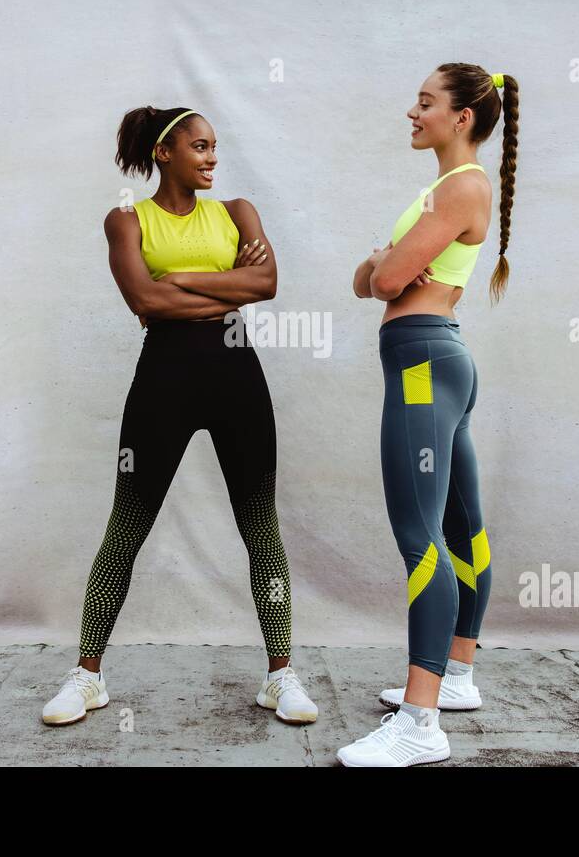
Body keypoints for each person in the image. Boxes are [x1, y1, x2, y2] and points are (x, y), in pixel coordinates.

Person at [42, 106, 318, 727]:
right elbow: (142, 298)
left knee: (260, 525)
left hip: (237, 377)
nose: (213, 156)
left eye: (215, 146)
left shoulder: (238, 211)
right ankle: (87, 677)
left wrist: (182, 282)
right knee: (127, 525)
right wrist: (224, 281)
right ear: (165, 153)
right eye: (200, 146)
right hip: (163, 381)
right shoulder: (125, 221)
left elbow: (267, 282)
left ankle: (281, 676)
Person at [338, 65, 519, 766]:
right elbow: (371, 277)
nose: (411, 112)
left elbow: (380, 280)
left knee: (421, 539)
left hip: (422, 366)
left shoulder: (463, 186)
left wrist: (384, 265)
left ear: (463, 117)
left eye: (425, 102)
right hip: (439, 359)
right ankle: (460, 675)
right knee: (461, 528)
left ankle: (421, 721)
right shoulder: (444, 189)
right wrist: (383, 265)